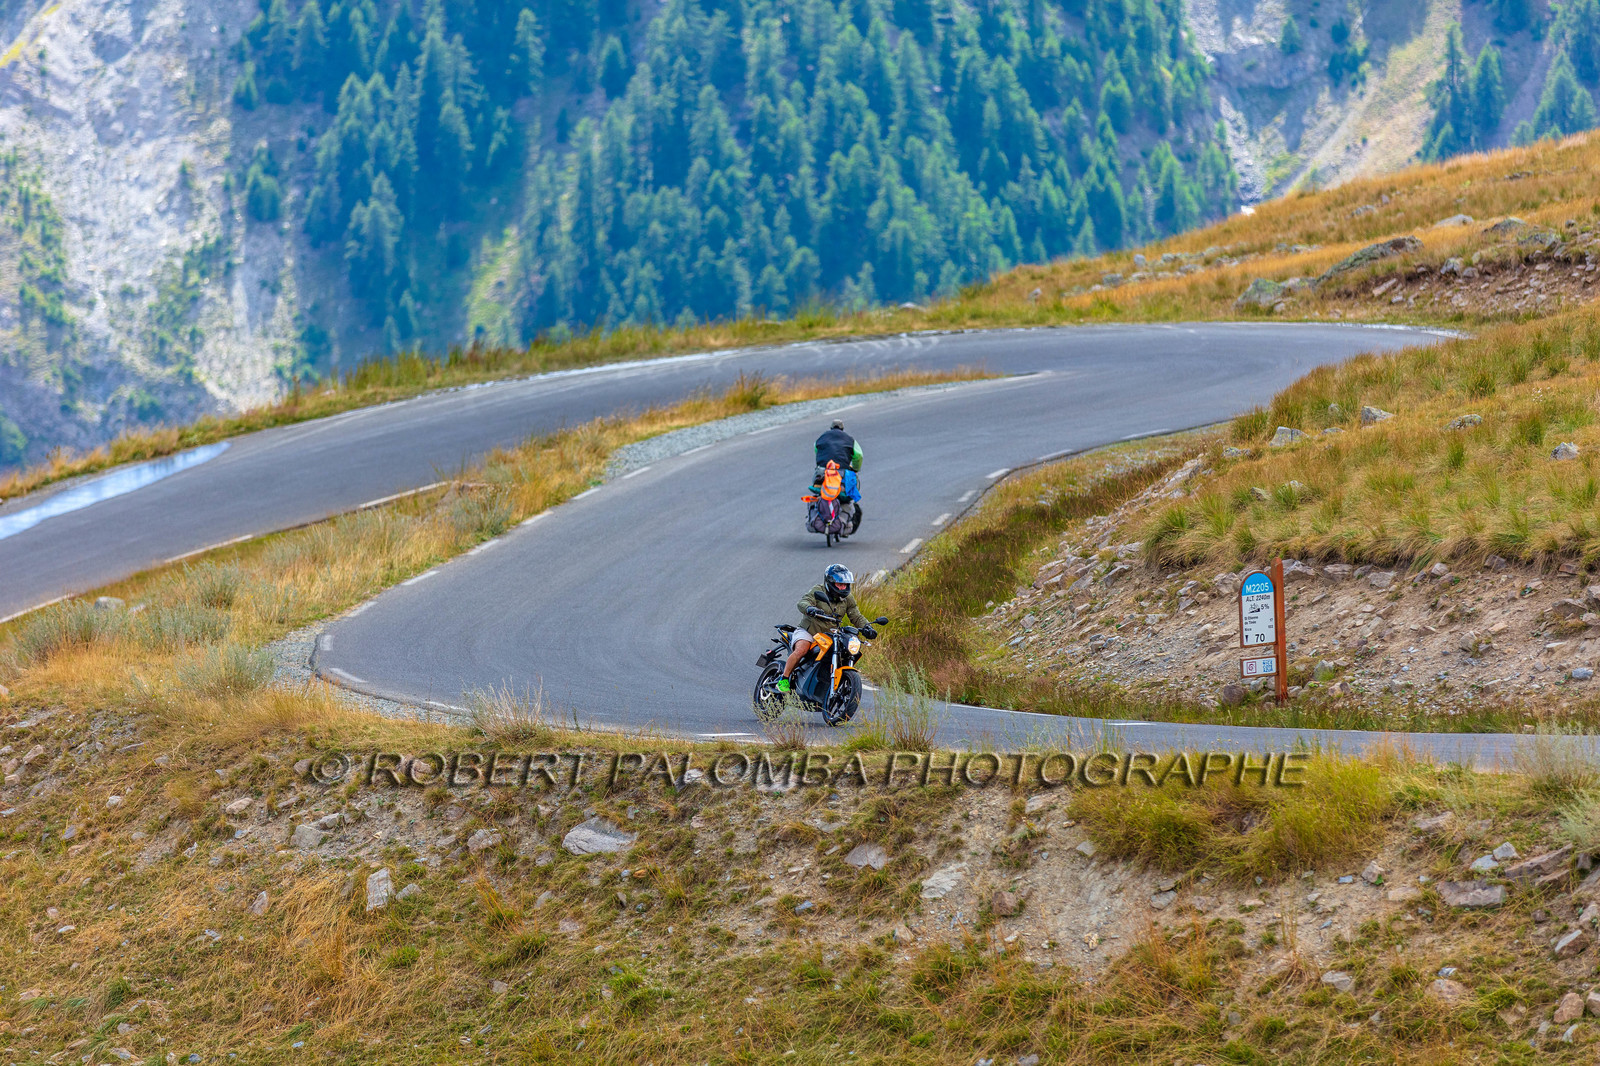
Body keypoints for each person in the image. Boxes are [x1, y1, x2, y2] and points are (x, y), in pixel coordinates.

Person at [778, 563, 877, 692]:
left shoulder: (847, 598)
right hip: (809, 632)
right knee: (802, 650)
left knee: (845, 652)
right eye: (839, 584)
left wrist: (867, 628)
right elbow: (802, 602)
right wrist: (809, 608)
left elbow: (856, 616)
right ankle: (784, 679)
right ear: (830, 582)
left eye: (845, 585)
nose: (842, 588)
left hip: (830, 635)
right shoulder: (818, 590)